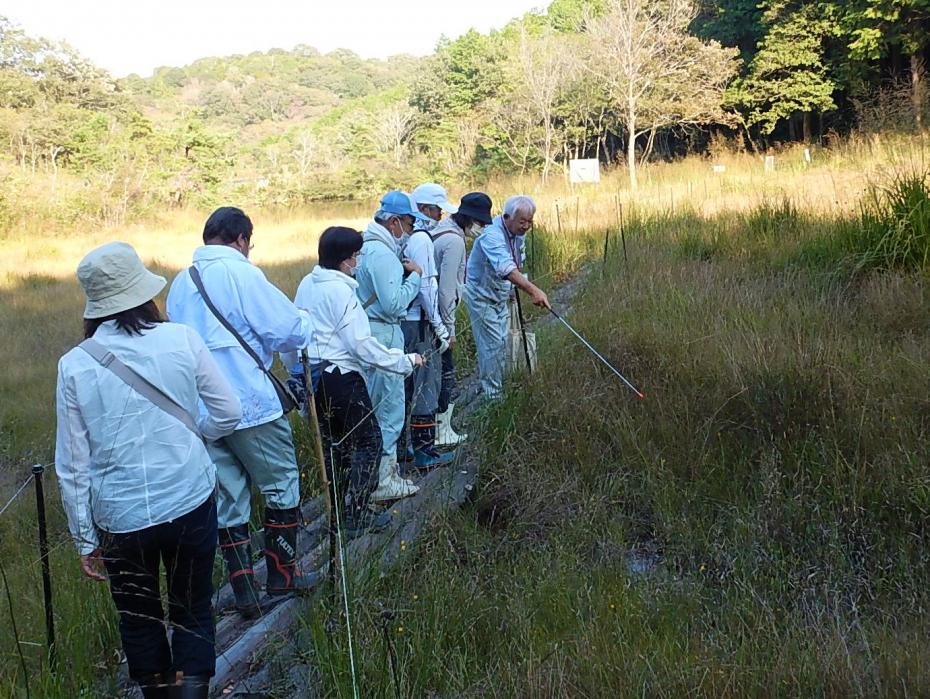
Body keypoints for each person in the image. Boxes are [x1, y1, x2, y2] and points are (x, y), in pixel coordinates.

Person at [56, 242, 242, 698]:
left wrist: (84, 539)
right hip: (189, 501)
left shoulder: (75, 365)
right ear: (144, 293)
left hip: (120, 518)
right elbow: (229, 412)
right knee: (193, 605)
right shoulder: (181, 339)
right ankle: (193, 691)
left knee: (138, 616)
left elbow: (73, 466)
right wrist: (197, 434)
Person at [166, 206, 318, 619]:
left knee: (229, 497)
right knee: (281, 483)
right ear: (241, 239)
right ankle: (282, 576)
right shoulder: (242, 273)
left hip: (202, 409)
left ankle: (244, 590)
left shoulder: (182, 283)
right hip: (250, 403)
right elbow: (286, 329)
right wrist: (304, 321)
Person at [287, 227, 424, 533]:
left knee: (335, 449)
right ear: (346, 259)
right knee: (368, 441)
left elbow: (295, 333)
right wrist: (402, 362)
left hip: (314, 377)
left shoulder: (308, 284)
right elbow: (360, 344)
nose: (359, 261)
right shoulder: (341, 291)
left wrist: (297, 371)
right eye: (357, 255)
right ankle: (357, 513)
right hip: (341, 377)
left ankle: (338, 512)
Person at [355, 191, 426, 500]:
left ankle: (373, 477)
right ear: (395, 222)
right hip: (383, 333)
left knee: (375, 406)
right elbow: (394, 304)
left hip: (369, 332)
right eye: (409, 223)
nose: (409, 230)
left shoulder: (364, 245)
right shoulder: (382, 253)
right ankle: (384, 480)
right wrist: (416, 278)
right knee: (389, 408)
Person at [463, 195, 550, 400]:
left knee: (501, 343)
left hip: (500, 293)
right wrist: (533, 291)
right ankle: (493, 397)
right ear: (507, 216)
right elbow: (505, 267)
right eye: (522, 221)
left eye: (530, 221)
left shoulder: (518, 233)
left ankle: (498, 385)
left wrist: (512, 291)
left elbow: (516, 261)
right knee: (492, 346)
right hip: (481, 296)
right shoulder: (491, 235)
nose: (527, 226)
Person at [400, 183, 458, 469]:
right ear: (423, 208)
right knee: (426, 385)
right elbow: (426, 287)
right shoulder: (421, 239)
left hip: (406, 322)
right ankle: (425, 452)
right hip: (420, 323)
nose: (439, 215)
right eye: (436, 209)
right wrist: (440, 327)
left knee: (406, 387)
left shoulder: (409, 237)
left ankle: (404, 450)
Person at [431, 191, 493, 444]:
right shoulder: (454, 242)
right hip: (437, 319)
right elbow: (446, 289)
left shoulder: (440, 230)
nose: (480, 228)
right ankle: (441, 432)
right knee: (445, 375)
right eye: (479, 222)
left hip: (428, 315)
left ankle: (433, 432)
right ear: (469, 219)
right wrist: (449, 329)